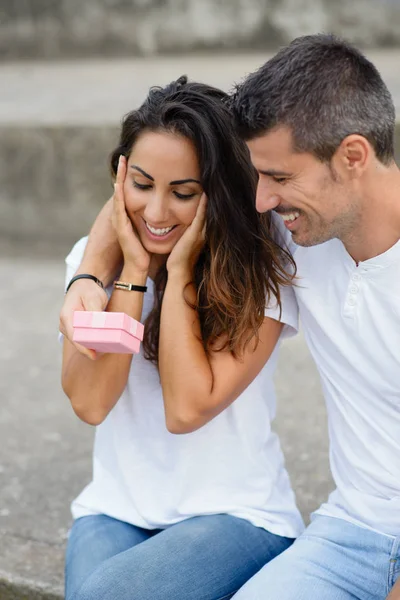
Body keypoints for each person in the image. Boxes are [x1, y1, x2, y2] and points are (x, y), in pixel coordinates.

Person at [60, 77, 304, 600]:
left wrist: (180, 275)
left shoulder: (264, 269)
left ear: (218, 193)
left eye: (183, 193)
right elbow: (90, 401)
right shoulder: (90, 263)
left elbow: (186, 411)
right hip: (115, 510)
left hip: (238, 516)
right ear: (119, 176)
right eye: (142, 184)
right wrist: (131, 271)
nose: (155, 213)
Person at [228, 34, 400, 600]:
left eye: (280, 177)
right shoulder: (302, 231)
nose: (262, 200)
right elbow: (148, 171)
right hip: (351, 532)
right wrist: (89, 273)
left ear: (353, 156)